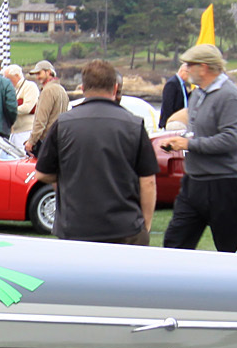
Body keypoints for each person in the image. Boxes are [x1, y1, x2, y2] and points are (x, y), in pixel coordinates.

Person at [32, 60, 157, 245]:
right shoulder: (134, 125)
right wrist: (145, 226)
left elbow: (42, 173)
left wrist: (65, 177)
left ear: (83, 88)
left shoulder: (63, 124)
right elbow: (148, 182)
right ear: (115, 88)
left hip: (75, 227)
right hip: (124, 228)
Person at [159, 43, 237, 252]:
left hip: (222, 183)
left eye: (190, 65)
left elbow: (232, 140)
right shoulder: (198, 94)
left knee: (230, 247)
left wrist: (190, 144)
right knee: (174, 243)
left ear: (205, 67)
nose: (186, 69)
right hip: (193, 182)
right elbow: (198, 131)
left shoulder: (230, 96)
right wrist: (179, 141)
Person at [25, 61, 69, 156]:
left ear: (49, 72)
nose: (37, 77)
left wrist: (31, 141)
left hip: (47, 141)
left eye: (39, 73)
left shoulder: (47, 91)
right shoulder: (62, 90)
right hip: (60, 140)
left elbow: (41, 121)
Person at [4, 64, 37, 147]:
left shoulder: (29, 86)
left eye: (9, 78)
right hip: (15, 131)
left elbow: (27, 108)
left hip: (26, 131)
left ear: (17, 75)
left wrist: (8, 110)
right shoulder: (13, 89)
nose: (7, 81)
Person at [160, 62, 191, 126]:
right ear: (183, 71)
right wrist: (171, 121)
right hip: (172, 122)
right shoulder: (172, 84)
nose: (189, 77)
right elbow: (167, 105)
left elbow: (184, 100)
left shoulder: (182, 85)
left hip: (180, 121)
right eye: (189, 74)